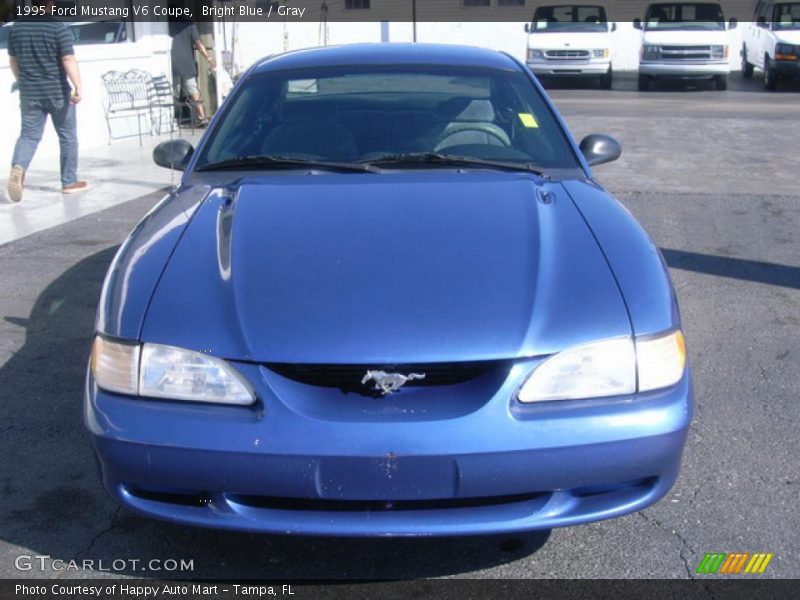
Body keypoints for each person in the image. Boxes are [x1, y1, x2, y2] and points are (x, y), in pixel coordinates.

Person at [6, 0, 88, 203]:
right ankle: (69, 182)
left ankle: (19, 168)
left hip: (30, 93)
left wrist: (22, 81)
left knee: (29, 136)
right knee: (67, 136)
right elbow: (68, 59)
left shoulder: (17, 27)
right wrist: (78, 86)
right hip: (58, 92)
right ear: (50, 3)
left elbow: (14, 61)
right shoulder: (57, 27)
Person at [169, 18, 215, 127]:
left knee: (174, 94)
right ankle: (202, 117)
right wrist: (208, 57)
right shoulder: (188, 24)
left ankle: (175, 119)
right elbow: (198, 42)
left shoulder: (166, 25)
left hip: (173, 64)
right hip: (187, 64)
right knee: (194, 91)